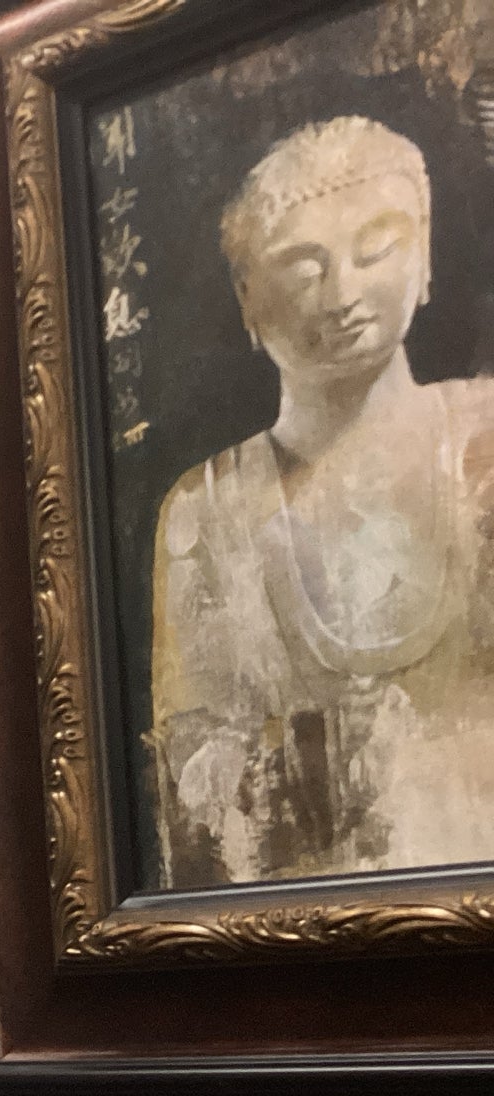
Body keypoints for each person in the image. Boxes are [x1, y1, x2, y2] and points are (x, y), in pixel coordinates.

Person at [147, 115, 494, 889]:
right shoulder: (205, 515)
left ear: (424, 256)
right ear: (247, 296)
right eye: (303, 269)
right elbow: (204, 836)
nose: (342, 295)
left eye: (375, 250)